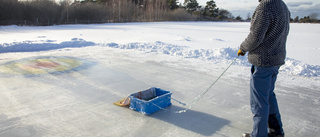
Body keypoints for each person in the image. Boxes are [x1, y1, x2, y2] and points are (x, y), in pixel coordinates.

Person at [238, 0, 290, 137]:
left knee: (259, 102)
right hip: (275, 60)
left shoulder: (265, 6)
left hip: (263, 62)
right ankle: (276, 131)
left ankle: (258, 135)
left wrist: (243, 48)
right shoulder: (281, 4)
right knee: (269, 96)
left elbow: (255, 36)